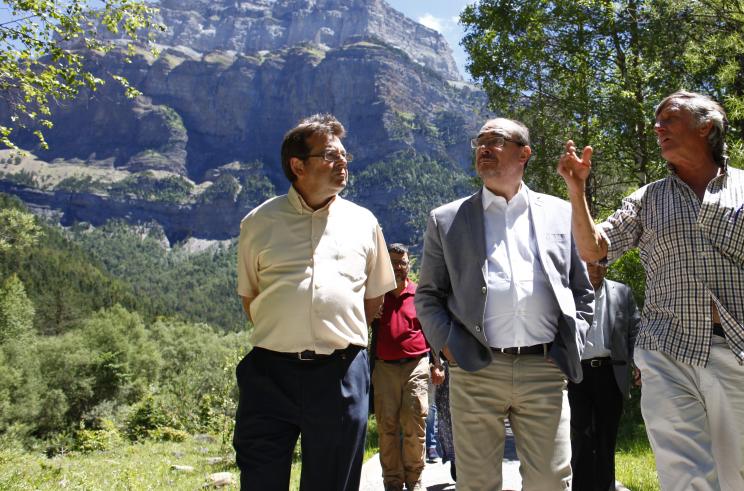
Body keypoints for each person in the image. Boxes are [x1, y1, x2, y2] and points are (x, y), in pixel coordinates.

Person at [557, 91, 744, 490]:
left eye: (668, 119)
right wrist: (576, 189)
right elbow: (595, 249)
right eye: (657, 122)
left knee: (735, 475)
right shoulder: (650, 198)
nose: (658, 128)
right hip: (667, 350)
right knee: (685, 474)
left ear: (706, 127)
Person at [416, 117, 595, 491]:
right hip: (476, 368)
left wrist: (572, 340)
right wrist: (447, 346)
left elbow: (582, 289)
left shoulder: (561, 213)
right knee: (477, 483)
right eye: (479, 142)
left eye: (495, 140)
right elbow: (428, 295)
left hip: (544, 369)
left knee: (550, 480)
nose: (484, 148)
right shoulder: (446, 219)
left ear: (524, 152)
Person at [234, 113, 395, 490]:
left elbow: (373, 300)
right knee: (260, 480)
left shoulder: (364, 222)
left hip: (340, 375)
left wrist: (336, 334)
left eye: (344, 156)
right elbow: (251, 297)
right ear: (298, 165)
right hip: (269, 375)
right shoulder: (258, 222)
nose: (342, 164)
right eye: (330, 156)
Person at [371, 243, 438, 491]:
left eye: (402, 262)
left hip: (416, 365)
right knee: (386, 427)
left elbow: (431, 330)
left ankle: (414, 480)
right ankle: (392, 482)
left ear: (409, 264)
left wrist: (437, 363)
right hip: (385, 367)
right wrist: (370, 313)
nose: (398, 267)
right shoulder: (376, 296)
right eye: (393, 262)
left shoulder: (419, 295)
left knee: (414, 424)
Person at [569, 261, 640, 491]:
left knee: (606, 439)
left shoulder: (622, 292)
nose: (597, 269)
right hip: (578, 375)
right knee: (581, 437)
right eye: (591, 265)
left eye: (602, 264)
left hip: (611, 374)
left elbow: (635, 332)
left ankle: (606, 487)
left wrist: (638, 363)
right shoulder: (570, 292)